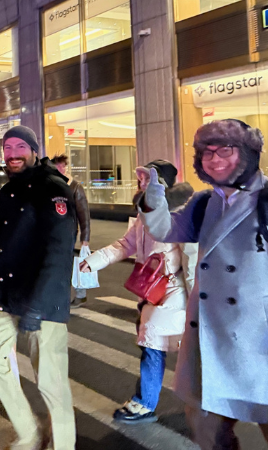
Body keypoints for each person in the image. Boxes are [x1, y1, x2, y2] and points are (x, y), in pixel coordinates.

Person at [140, 119, 268, 448]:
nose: (214, 159)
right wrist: (153, 197)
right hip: (211, 337)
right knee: (206, 426)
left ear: (248, 153)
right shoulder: (204, 202)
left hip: (260, 341)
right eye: (206, 152)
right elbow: (165, 229)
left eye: (224, 150)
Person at [0, 126, 77, 450]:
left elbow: (60, 251)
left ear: (35, 151)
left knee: (51, 382)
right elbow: (10, 248)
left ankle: (62, 445)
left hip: (42, 300)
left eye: (20, 146)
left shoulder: (52, 188)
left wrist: (37, 307)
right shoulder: (9, 190)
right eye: (7, 147)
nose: (13, 153)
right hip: (6, 294)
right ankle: (29, 433)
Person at [79, 160, 196, 423]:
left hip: (173, 292)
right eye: (140, 178)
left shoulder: (179, 215)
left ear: (161, 184)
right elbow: (125, 244)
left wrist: (196, 298)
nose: (141, 183)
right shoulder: (145, 215)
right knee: (167, 347)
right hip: (152, 291)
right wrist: (95, 261)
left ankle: (146, 403)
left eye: (147, 179)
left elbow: (192, 259)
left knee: (155, 345)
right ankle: (199, 403)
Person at [51, 154, 91, 308]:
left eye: (63, 166)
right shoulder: (52, 186)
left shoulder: (74, 187)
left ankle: (78, 295)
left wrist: (85, 237)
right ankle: (62, 296)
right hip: (53, 233)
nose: (61, 169)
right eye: (57, 166)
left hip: (68, 232)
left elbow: (84, 213)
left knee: (68, 265)